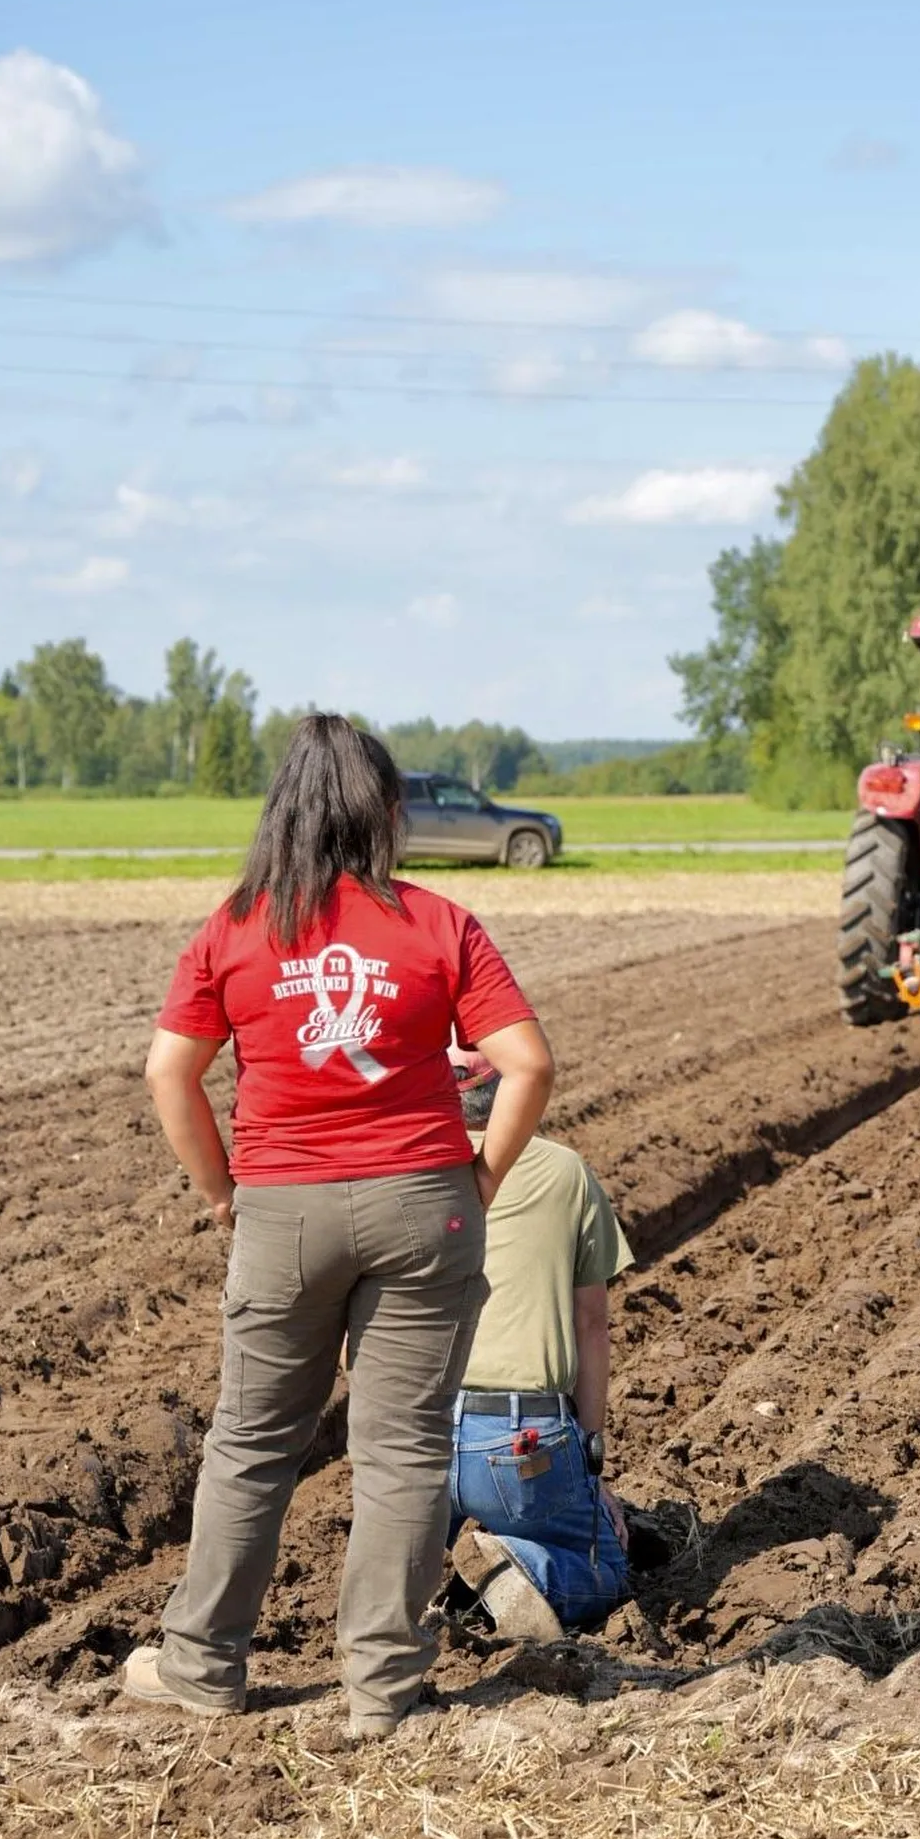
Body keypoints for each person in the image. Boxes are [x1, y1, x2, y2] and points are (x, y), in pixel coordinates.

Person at [122, 715, 555, 1739]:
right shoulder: (441, 923)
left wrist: (225, 1192)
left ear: (282, 812)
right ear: (385, 811)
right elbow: (527, 1063)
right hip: (423, 1202)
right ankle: (382, 1691)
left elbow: (166, 1072)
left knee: (252, 1443)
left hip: (282, 1209)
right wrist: (480, 1174)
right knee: (401, 1450)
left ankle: (202, 1665)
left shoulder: (234, 927)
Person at [441, 1050, 633, 1639]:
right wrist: (591, 1460)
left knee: (396, 1548)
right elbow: (591, 1322)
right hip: (516, 1438)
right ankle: (524, 1574)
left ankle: (410, 1586)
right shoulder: (562, 1169)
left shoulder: (405, 1170)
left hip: (412, 1423)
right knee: (610, 1567)